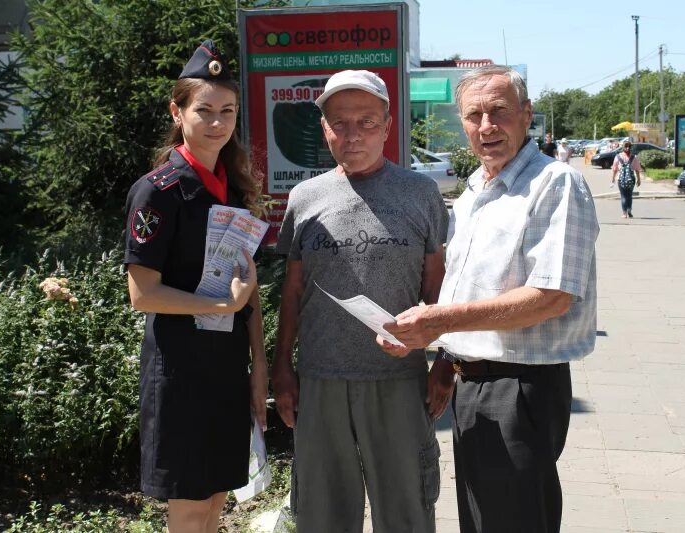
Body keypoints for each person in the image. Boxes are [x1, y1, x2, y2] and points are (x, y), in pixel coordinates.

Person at [381, 65, 600, 533]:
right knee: (482, 521)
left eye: (498, 112)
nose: (486, 126)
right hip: (471, 384)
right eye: (473, 114)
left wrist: (438, 322)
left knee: (515, 521)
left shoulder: (554, 183)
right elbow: (470, 283)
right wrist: (447, 359)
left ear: (526, 116)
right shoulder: (477, 189)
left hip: (520, 388)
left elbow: (552, 296)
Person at [271, 69, 450, 533]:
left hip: (398, 381)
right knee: (322, 515)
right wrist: (282, 368)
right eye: (339, 122)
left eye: (367, 122)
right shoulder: (304, 198)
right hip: (320, 382)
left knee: (406, 513)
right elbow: (292, 291)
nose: (353, 135)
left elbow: (438, 288)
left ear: (388, 125)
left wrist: (445, 362)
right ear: (325, 128)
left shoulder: (421, 193)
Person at [124, 40, 268, 533]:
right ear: (177, 111)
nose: (217, 123)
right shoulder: (158, 190)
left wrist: (260, 367)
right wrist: (220, 301)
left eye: (227, 111)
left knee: (215, 500)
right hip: (181, 370)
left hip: (227, 367)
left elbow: (248, 293)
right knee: (188, 506)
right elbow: (142, 294)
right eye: (204, 110)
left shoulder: (234, 186)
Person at [611, 141, 642, 218]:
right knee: (629, 195)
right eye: (627, 147)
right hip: (631, 179)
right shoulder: (634, 157)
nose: (627, 148)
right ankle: (629, 210)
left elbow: (614, 169)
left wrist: (613, 179)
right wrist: (638, 179)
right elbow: (637, 169)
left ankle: (624, 213)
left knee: (623, 196)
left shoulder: (618, 157)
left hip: (621, 179)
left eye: (628, 147)